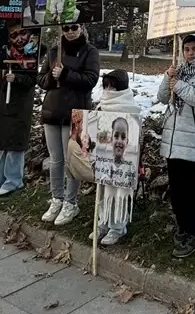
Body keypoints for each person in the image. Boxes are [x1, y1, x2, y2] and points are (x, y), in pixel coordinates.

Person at [157, 33, 195, 259]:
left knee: (190, 191)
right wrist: (168, 77)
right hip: (173, 141)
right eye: (187, 49)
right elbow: (163, 98)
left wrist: (179, 85)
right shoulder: (178, 71)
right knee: (177, 190)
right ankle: (182, 227)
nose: (190, 53)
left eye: (194, 49)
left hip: (191, 141)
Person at [38, 21, 99, 224]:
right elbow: (41, 79)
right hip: (52, 111)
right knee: (56, 159)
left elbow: (91, 79)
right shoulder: (55, 50)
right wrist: (51, 76)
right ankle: (57, 198)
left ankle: (71, 203)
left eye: (74, 28)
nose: (70, 32)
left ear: (81, 29)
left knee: (71, 161)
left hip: (76, 113)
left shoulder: (89, 51)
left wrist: (65, 74)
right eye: (66, 28)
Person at [0, 23, 39, 195]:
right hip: (1, 104)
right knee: (1, 143)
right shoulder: (4, 53)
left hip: (19, 105)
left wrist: (17, 79)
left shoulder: (33, 53)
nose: (20, 39)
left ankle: (14, 180)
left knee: (14, 144)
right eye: (14, 35)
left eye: (23, 33)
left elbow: (32, 80)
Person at [95, 68, 140, 245]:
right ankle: (103, 221)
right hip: (105, 161)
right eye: (106, 86)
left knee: (118, 190)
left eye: (112, 87)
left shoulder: (130, 109)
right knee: (104, 190)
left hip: (123, 164)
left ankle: (117, 226)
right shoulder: (101, 107)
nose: (108, 91)